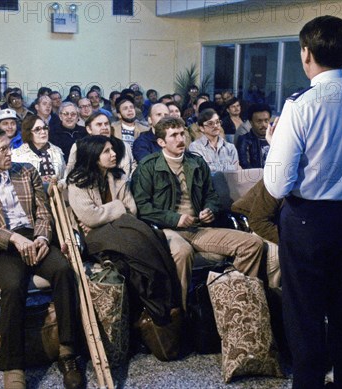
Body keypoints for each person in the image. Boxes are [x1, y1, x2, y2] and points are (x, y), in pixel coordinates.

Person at [263, 16, 342, 389]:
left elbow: (276, 184)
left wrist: (274, 147)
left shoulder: (300, 106)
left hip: (308, 220)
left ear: (306, 54)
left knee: (304, 317)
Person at [0, 128, 83, 389]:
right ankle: (13, 365)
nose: (10, 153)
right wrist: (13, 239)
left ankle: (67, 350)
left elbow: (43, 212)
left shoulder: (26, 171)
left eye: (9, 147)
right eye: (3, 149)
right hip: (2, 244)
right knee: (13, 287)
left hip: (34, 237)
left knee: (63, 270)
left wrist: (40, 238)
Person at [131, 116, 264, 308]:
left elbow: (211, 196)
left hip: (198, 228)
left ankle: (231, 302)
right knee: (183, 252)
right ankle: (180, 312)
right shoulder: (148, 167)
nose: (180, 139)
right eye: (173, 135)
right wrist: (175, 219)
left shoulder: (196, 163)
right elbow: (143, 207)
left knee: (253, 244)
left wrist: (209, 210)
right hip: (166, 230)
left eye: (182, 133)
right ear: (161, 142)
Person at [67, 135, 181, 323]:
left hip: (121, 229)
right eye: (106, 151)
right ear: (93, 155)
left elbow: (132, 210)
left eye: (112, 150)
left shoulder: (117, 176)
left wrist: (106, 213)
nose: (113, 154)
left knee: (150, 242)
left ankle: (155, 308)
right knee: (137, 249)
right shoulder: (78, 181)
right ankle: (158, 307)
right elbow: (91, 217)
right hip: (95, 237)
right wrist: (117, 207)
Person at [66, 112, 137, 180]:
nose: (104, 127)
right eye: (99, 125)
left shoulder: (123, 146)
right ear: (89, 129)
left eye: (106, 124)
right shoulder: (79, 146)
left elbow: (133, 169)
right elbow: (70, 173)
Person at [11, 114, 66, 188]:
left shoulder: (57, 152)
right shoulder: (16, 155)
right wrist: (38, 181)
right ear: (29, 133)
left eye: (45, 128)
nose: (43, 132)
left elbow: (64, 177)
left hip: (56, 195)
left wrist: (56, 182)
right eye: (37, 129)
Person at [188, 108, 240, 172]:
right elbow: (202, 172)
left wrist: (212, 168)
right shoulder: (195, 147)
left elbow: (237, 170)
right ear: (202, 128)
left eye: (217, 122)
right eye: (210, 123)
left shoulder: (230, 147)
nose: (215, 126)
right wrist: (230, 168)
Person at [236, 103, 271, 169]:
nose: (264, 125)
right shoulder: (244, 140)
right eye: (259, 121)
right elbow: (245, 165)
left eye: (266, 120)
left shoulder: (276, 139)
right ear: (251, 123)